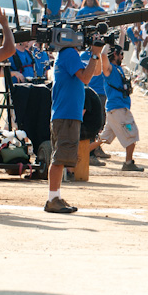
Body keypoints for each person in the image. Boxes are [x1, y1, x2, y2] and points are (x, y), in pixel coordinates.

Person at [45, 39, 104, 213]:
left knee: (61, 157)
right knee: (60, 158)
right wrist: (94, 53)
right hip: (66, 115)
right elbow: (86, 78)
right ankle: (52, 199)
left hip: (66, 113)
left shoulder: (68, 54)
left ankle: (55, 197)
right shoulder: (69, 53)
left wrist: (97, 54)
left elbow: (96, 71)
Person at [98, 45, 144, 172]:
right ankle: (128, 163)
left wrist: (120, 35)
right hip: (118, 109)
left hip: (117, 109)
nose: (123, 56)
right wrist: (106, 44)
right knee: (132, 135)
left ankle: (81, 153)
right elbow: (103, 55)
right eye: (121, 54)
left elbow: (117, 46)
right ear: (114, 55)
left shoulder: (118, 69)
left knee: (103, 138)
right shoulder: (109, 70)